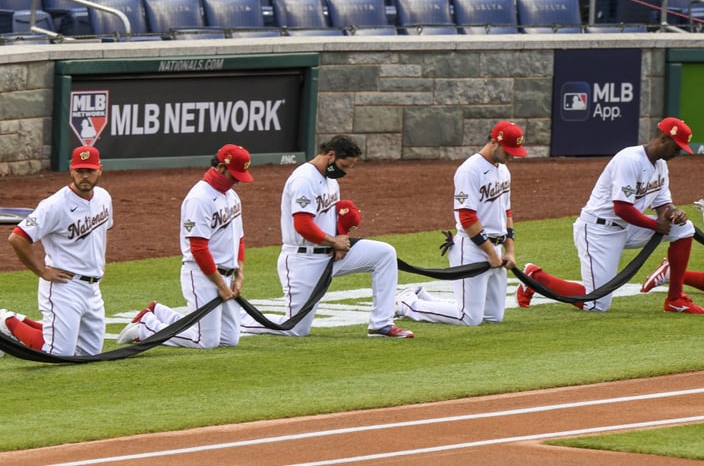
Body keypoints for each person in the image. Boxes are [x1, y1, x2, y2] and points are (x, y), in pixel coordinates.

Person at [518, 117, 703, 314]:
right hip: (599, 230)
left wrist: (674, 213)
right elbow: (622, 208)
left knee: (684, 227)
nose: (679, 152)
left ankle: (675, 299)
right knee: (596, 304)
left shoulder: (661, 166)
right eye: (677, 146)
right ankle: (535, 278)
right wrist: (654, 225)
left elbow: (662, 204)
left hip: (628, 227)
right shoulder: (629, 160)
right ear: (664, 139)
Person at [240, 135, 415, 339]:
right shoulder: (304, 179)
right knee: (294, 328)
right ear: (331, 155)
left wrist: (340, 239)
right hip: (304, 260)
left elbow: (336, 212)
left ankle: (381, 324)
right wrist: (333, 241)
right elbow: (303, 225)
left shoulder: (330, 179)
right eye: (343, 165)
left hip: (331, 256)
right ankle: (238, 319)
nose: (345, 171)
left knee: (384, 254)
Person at [116, 144, 253, 349]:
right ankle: (146, 328)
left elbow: (239, 238)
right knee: (205, 341)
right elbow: (198, 248)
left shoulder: (232, 196)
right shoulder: (199, 198)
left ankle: (159, 312)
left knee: (228, 339)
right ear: (220, 167)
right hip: (201, 275)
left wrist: (239, 274)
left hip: (226, 274)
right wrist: (221, 286)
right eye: (233, 176)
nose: (236, 182)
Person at [397, 121, 527, 326]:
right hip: (472, 248)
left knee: (493, 316)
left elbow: (506, 211)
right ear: (494, 142)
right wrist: (491, 254)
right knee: (468, 318)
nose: (513, 156)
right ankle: (407, 303)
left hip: (496, 247)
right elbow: (467, 217)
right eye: (509, 151)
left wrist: (509, 250)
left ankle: (425, 297)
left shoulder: (503, 170)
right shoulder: (469, 171)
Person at [0, 146, 113, 356]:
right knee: (58, 353)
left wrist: (98, 263)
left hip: (93, 287)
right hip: (64, 285)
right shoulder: (55, 205)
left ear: (100, 170)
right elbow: (18, 238)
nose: (85, 176)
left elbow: (102, 232)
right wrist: (41, 270)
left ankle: (21, 322)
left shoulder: (103, 197)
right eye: (80, 170)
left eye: (90, 171)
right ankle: (7, 321)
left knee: (89, 354)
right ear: (71, 170)